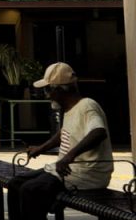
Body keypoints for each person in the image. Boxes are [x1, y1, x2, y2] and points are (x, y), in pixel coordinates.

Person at [7, 62, 112, 220]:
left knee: (30, 190)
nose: (47, 95)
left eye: (47, 90)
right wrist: (41, 148)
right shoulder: (70, 109)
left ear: (58, 90)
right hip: (66, 171)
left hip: (84, 174)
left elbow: (98, 132)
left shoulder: (87, 106)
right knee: (15, 184)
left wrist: (69, 156)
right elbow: (63, 134)